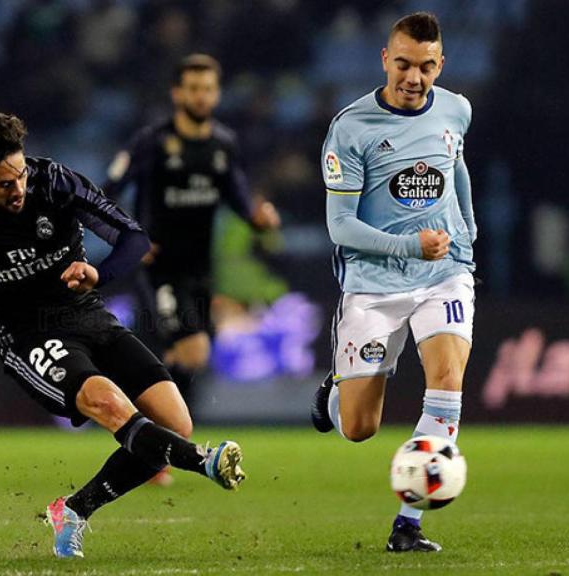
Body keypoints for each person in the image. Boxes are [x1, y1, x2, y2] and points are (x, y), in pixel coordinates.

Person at [0, 111, 246, 559]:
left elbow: (133, 237)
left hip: (86, 315)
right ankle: (203, 461)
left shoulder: (55, 183)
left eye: (19, 175)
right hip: (25, 334)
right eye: (4, 183)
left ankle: (73, 510)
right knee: (110, 403)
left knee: (175, 423)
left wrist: (99, 272)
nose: (18, 189)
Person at [309, 12, 477, 553]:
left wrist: (467, 231)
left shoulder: (457, 108)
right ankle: (336, 388)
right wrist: (409, 244)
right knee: (359, 428)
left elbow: (455, 165)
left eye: (426, 67)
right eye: (403, 64)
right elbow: (340, 226)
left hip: (444, 276)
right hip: (374, 284)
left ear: (441, 64)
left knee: (446, 382)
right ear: (385, 59)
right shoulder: (351, 128)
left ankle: (408, 523)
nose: (414, 77)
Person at [104, 54, 281, 409]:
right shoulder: (151, 142)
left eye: (208, 89)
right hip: (158, 269)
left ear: (217, 94)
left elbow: (238, 197)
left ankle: (149, 428)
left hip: (201, 270)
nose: (201, 96)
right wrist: (129, 236)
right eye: (193, 89)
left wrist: (258, 217)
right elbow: (105, 194)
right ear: (177, 93)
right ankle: (146, 425)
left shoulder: (223, 144)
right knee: (191, 350)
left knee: (184, 358)